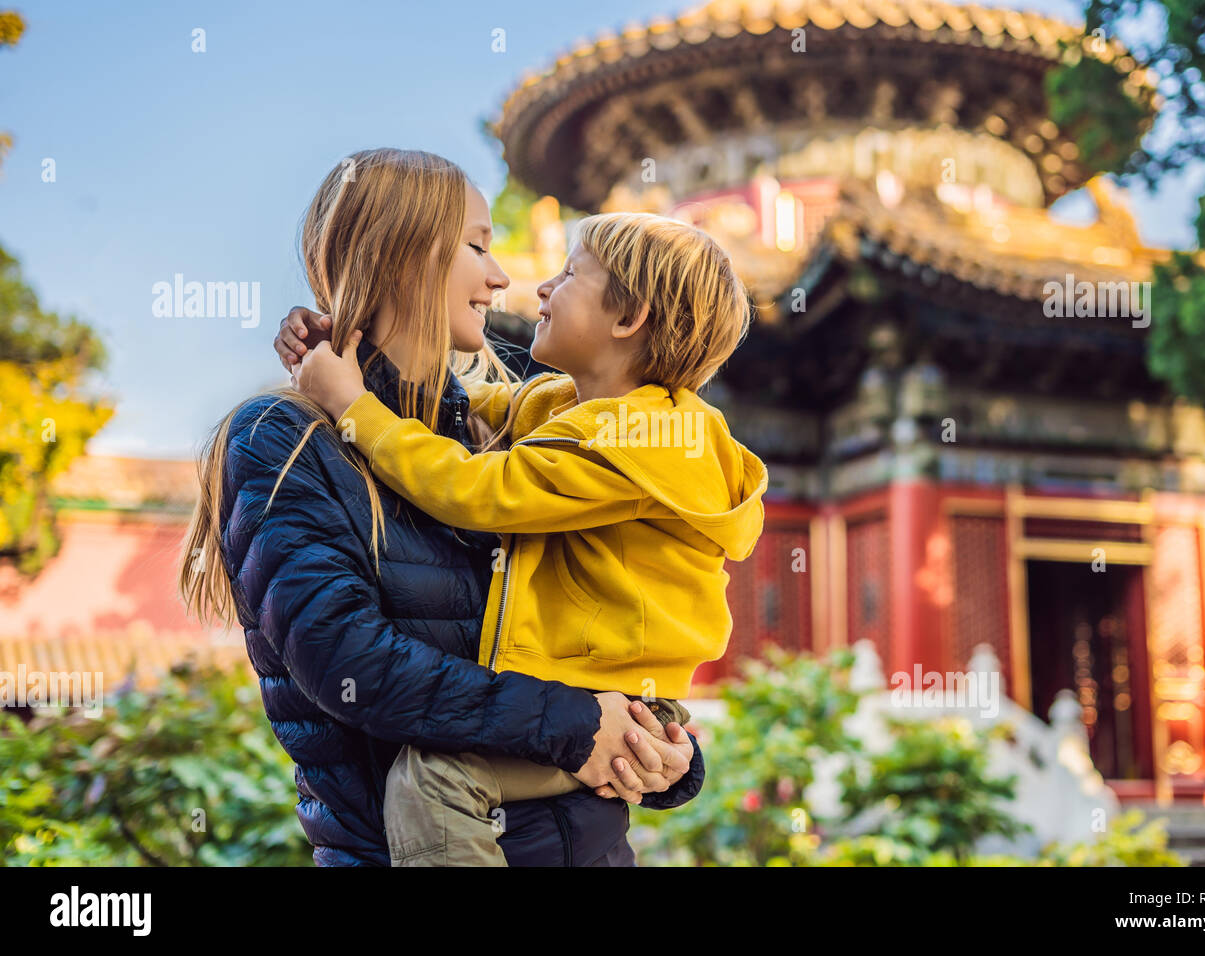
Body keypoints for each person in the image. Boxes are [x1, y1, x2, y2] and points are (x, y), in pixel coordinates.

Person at [180, 148, 702, 867]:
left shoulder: (505, 435)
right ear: (402, 256)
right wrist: (577, 725)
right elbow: (347, 662)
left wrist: (663, 752)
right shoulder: (285, 438)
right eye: (477, 246)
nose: (502, 275)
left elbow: (605, 623)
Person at [285, 211, 767, 865]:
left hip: (616, 700)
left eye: (568, 274)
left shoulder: (639, 441)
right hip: (590, 702)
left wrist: (352, 407)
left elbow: (478, 490)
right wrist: (359, 361)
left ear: (627, 319)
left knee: (435, 778)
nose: (535, 285)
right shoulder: (566, 404)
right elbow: (463, 406)